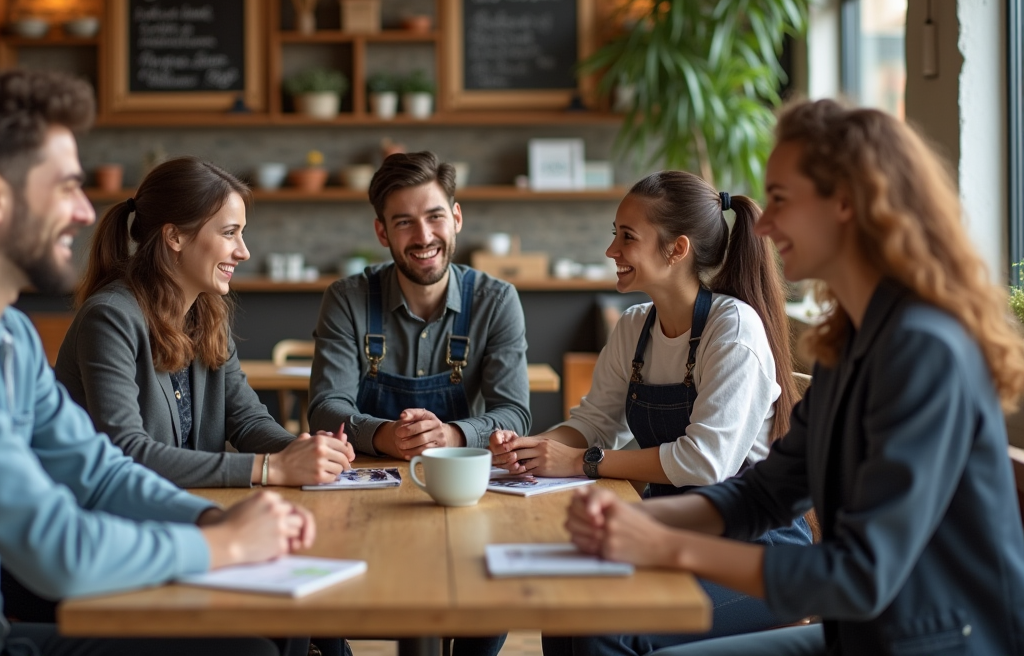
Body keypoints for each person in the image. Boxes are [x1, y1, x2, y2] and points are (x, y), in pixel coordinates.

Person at [0, 69, 315, 656]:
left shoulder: (9, 333)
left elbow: (100, 469)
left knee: (257, 642)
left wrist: (209, 520)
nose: (86, 212)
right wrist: (225, 545)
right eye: (65, 188)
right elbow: (55, 547)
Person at [562, 100, 1024, 655]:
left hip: (936, 643)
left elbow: (861, 575)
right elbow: (765, 494)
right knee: (578, 613)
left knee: (604, 626)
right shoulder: (850, 343)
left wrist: (663, 542)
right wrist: (630, 519)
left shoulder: (924, 351)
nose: (763, 223)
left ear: (846, 203)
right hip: (863, 633)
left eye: (781, 199)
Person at [489, 171, 811, 656]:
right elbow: (594, 423)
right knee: (564, 603)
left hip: (757, 549)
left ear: (677, 249)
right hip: (672, 529)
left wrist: (582, 462)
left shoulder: (733, 330)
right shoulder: (634, 327)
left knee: (606, 629)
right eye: (614, 234)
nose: (611, 250)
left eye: (627, 237)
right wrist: (533, 448)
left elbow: (705, 462)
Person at [308, 151, 529, 656]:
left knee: (490, 602)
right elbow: (324, 407)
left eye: (434, 216)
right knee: (316, 601)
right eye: (404, 222)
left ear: (456, 217)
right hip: (361, 500)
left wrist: (450, 435)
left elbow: (515, 412)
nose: (424, 236)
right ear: (382, 232)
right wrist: (388, 435)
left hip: (461, 498)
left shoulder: (497, 300)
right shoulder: (347, 298)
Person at [55, 156, 354, 490]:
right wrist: (271, 468)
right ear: (175, 237)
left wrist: (302, 451)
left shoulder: (207, 315)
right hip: (108, 513)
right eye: (229, 233)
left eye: (241, 234)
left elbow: (246, 420)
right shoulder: (110, 317)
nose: (244, 252)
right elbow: (127, 451)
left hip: (182, 506)